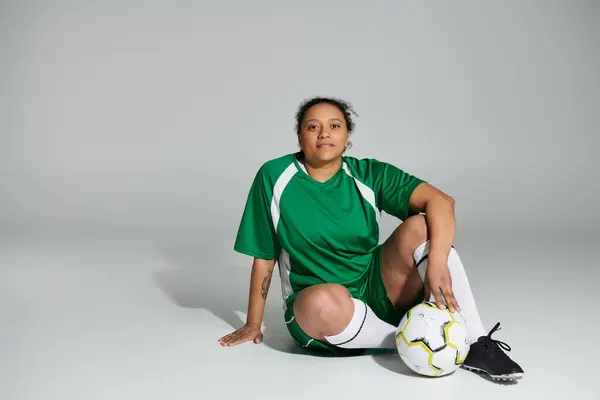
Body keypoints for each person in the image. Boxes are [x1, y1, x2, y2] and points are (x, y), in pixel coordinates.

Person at [218, 96, 524, 382]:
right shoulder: (274, 176)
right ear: (299, 136)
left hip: (377, 289)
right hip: (320, 312)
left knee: (422, 226)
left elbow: (442, 202)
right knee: (321, 302)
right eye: (313, 127)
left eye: (334, 126)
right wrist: (253, 324)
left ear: (347, 136)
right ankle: (407, 342)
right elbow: (264, 255)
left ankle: (475, 342)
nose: (324, 133)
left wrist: (438, 262)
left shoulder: (367, 173)